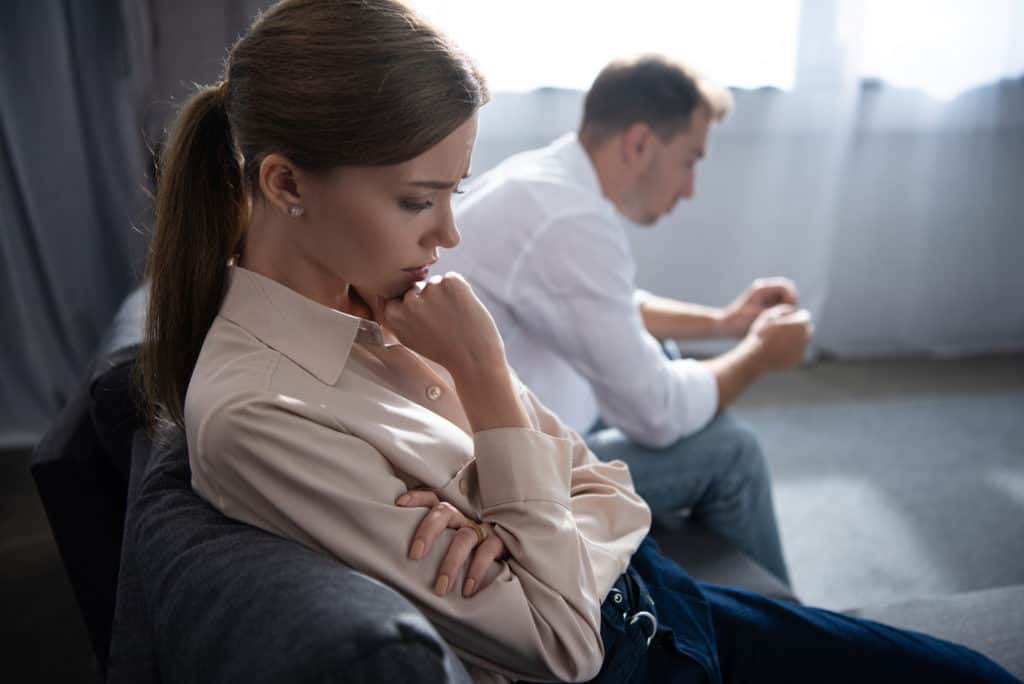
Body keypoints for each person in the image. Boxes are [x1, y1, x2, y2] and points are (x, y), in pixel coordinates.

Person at [140, 1, 1020, 682]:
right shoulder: (261, 409)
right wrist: (484, 380)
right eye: (418, 200)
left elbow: (619, 495)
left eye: (455, 192)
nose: (448, 235)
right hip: (642, 655)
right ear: (287, 183)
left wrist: (519, 518)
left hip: (663, 600)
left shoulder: (377, 300)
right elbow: (565, 642)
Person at [438, 55, 809, 584]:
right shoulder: (569, 219)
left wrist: (727, 323)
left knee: (672, 366)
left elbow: (606, 305)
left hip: (505, 428)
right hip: (500, 478)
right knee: (731, 450)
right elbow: (655, 414)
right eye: (690, 160)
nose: (690, 188)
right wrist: (758, 356)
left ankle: (697, 585)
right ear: (639, 143)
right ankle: (785, 639)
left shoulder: (539, 178)